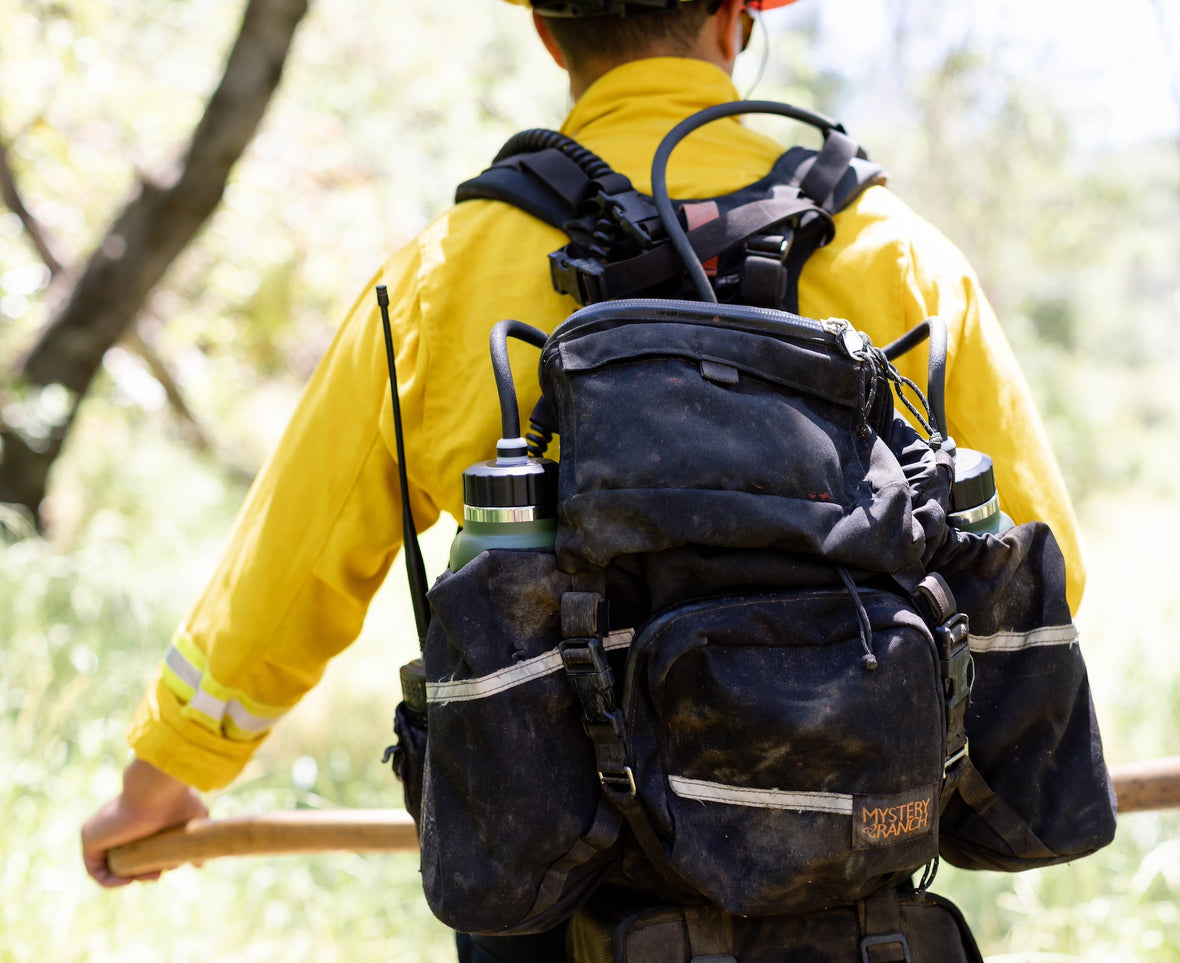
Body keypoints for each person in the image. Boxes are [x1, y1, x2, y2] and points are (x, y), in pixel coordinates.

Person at [81, 0, 1087, 959]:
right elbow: (1037, 570)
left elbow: (290, 571)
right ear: (736, 20)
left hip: (552, 887)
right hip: (848, 871)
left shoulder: (441, 277)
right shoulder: (894, 254)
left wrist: (165, 775)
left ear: (545, 31)